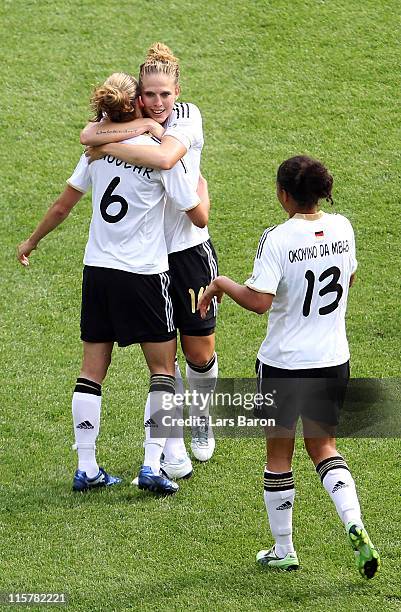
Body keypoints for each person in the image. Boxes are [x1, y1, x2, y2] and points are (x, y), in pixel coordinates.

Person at [17, 72, 210, 495]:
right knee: (162, 368)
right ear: (137, 105)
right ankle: (152, 464)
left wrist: (31, 240)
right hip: (144, 273)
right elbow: (196, 215)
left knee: (91, 371)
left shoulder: (96, 151)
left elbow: (63, 204)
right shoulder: (158, 150)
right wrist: (202, 187)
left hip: (97, 270)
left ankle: (87, 467)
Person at [198, 155, 380, 579]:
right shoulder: (343, 228)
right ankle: (354, 523)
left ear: (283, 195)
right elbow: (348, 278)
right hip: (333, 360)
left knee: (279, 454)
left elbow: (259, 302)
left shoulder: (276, 238)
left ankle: (283, 549)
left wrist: (220, 284)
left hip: (283, 365)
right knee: (324, 447)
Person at [81, 43, 219, 479]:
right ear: (138, 95)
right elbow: (88, 134)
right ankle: (171, 449)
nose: (158, 103)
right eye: (149, 95)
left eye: (165, 94)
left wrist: (110, 146)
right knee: (165, 357)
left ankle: (200, 416)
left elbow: (163, 160)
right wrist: (128, 130)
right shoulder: (131, 122)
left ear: (179, 91)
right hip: (146, 261)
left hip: (188, 251)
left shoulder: (188, 118)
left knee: (199, 351)